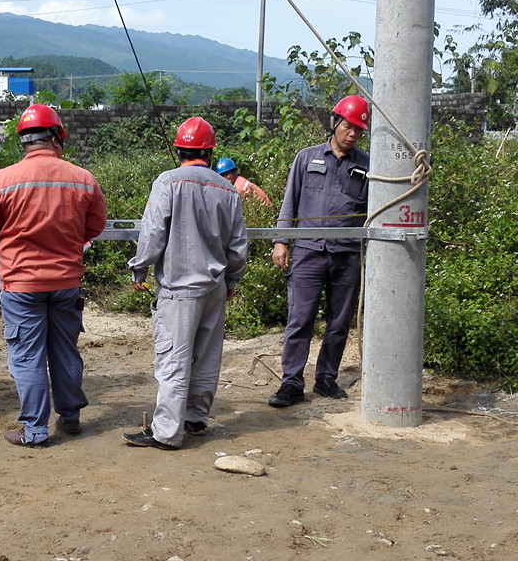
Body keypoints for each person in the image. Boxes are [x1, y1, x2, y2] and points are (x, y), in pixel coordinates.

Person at [0, 104, 107, 447]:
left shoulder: (1, 180)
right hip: (66, 282)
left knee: (27, 355)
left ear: (24, 142)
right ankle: (71, 417)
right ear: (57, 137)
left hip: (21, 285)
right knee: (64, 350)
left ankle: (34, 430)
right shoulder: (83, 179)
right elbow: (94, 227)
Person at [122, 117, 248, 451]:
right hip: (215, 288)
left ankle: (166, 432)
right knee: (206, 356)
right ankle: (195, 419)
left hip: (178, 290)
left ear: (179, 148)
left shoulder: (167, 182)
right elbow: (238, 246)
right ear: (210, 151)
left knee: (173, 360)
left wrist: (140, 269)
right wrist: (232, 279)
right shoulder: (228, 189)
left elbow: (152, 234)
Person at [268, 95, 370, 407]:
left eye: (358, 130)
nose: (352, 134)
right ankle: (291, 383)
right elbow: (290, 200)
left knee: (339, 323)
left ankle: (326, 379)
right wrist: (281, 241)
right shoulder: (306, 158)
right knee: (300, 319)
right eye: (348, 127)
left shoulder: (367, 165)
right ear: (335, 123)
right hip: (309, 253)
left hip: (347, 255)